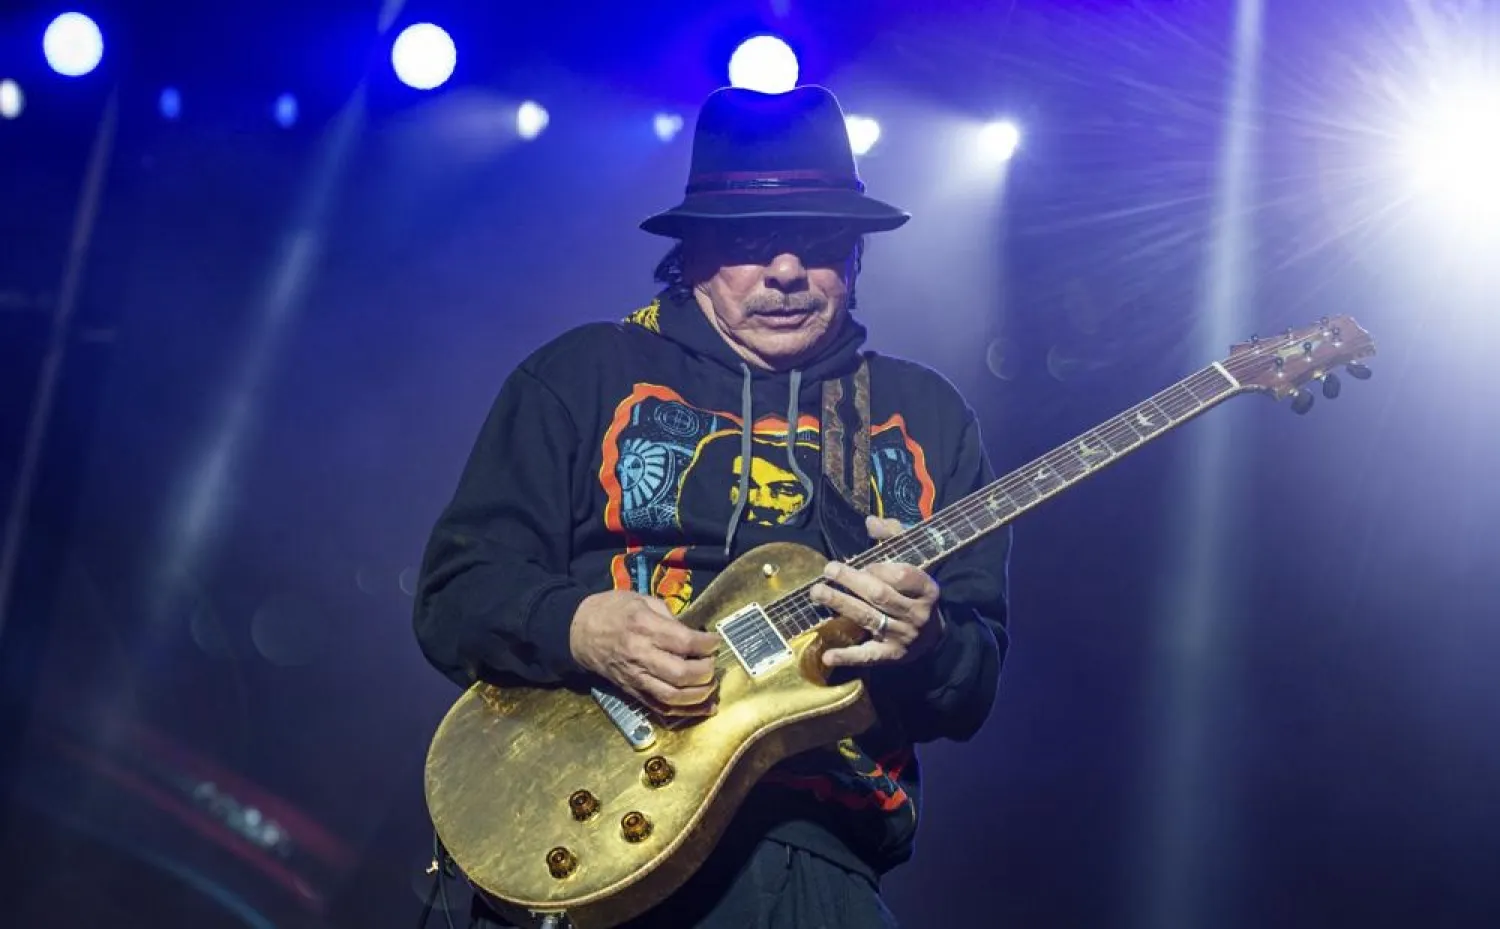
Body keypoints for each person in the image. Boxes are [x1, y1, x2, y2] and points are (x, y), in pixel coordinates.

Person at [413, 83, 1012, 928]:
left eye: (818, 239)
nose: (786, 269)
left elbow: (973, 687)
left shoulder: (925, 415)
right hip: (580, 843)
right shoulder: (584, 374)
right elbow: (453, 593)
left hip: (815, 864)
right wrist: (578, 625)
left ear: (854, 254)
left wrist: (931, 641)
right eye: (752, 241)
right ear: (691, 252)